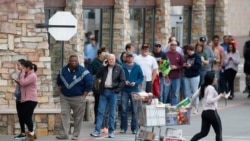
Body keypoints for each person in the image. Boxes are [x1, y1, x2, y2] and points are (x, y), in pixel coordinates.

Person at [56, 55, 93, 140]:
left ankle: (75, 135)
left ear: (78, 61)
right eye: (72, 61)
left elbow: (88, 85)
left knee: (78, 117)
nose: (73, 63)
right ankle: (64, 134)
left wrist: (83, 97)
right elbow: (59, 82)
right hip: (65, 98)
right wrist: (62, 93)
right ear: (69, 61)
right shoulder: (62, 71)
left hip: (78, 98)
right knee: (64, 115)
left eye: (75, 61)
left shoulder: (84, 72)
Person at [90, 54, 125, 138]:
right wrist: (103, 66)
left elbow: (122, 81)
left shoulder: (119, 68)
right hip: (104, 91)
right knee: (100, 112)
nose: (111, 61)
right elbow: (97, 75)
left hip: (113, 92)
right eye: (109, 59)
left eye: (112, 59)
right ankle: (97, 131)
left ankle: (111, 131)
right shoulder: (104, 68)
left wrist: (117, 90)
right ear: (107, 60)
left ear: (115, 60)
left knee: (112, 113)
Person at [190, 71, 225, 141]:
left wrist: (190, 105)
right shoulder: (211, 88)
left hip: (205, 113)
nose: (216, 78)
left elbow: (194, 96)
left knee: (203, 133)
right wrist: (220, 96)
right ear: (211, 79)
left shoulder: (203, 87)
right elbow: (209, 100)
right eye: (215, 77)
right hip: (211, 112)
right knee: (218, 132)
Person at [120, 52, 143, 134]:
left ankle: (134, 128)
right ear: (126, 58)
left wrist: (135, 82)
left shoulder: (137, 66)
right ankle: (123, 128)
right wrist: (124, 81)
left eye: (131, 57)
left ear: (133, 58)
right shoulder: (122, 66)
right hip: (125, 89)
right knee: (123, 109)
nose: (129, 58)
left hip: (134, 90)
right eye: (128, 57)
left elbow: (141, 77)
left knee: (135, 109)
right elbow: (119, 77)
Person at [15, 60, 38, 141]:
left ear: (28, 68)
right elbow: (23, 84)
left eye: (24, 68)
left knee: (27, 117)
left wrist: (22, 74)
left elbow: (23, 83)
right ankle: (31, 135)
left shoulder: (32, 75)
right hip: (26, 99)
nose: (22, 69)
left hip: (31, 100)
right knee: (25, 117)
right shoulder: (27, 74)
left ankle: (31, 135)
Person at [90, 47, 109, 127]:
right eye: (103, 54)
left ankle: (104, 120)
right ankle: (97, 120)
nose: (104, 56)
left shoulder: (108, 61)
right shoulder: (95, 62)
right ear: (99, 55)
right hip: (98, 85)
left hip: (107, 85)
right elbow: (97, 72)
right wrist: (103, 65)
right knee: (97, 102)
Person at [183, 45, 202, 114]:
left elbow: (199, 66)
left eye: (188, 50)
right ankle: (189, 106)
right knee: (187, 92)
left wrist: (191, 66)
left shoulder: (197, 56)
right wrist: (185, 65)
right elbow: (185, 64)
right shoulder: (187, 57)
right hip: (187, 76)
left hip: (194, 76)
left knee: (195, 92)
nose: (188, 52)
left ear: (191, 50)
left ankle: (196, 107)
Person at [165, 41, 184, 105]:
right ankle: (166, 106)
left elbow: (182, 65)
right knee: (166, 93)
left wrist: (176, 67)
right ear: (170, 46)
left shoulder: (179, 55)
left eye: (175, 45)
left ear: (177, 46)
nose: (173, 46)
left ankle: (174, 107)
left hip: (176, 77)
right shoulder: (166, 54)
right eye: (172, 45)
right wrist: (168, 66)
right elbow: (162, 64)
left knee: (175, 93)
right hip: (167, 77)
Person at [13, 59, 26, 140]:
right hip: (18, 97)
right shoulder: (20, 73)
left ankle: (27, 133)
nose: (17, 66)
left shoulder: (24, 74)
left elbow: (23, 84)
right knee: (20, 116)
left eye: (19, 65)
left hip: (22, 98)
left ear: (23, 65)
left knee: (24, 116)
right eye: (17, 65)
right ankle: (22, 133)